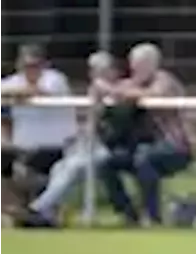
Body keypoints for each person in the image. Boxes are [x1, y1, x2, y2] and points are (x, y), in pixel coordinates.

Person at [25, 51, 150, 228]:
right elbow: (90, 127)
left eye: (101, 70)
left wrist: (105, 92)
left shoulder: (125, 87)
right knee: (60, 167)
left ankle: (37, 209)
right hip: (93, 145)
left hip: (116, 148)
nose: (95, 74)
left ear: (114, 71)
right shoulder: (96, 93)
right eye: (93, 70)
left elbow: (129, 103)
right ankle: (48, 213)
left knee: (75, 167)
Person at [99, 43, 194, 227]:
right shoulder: (131, 84)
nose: (135, 69)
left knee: (145, 159)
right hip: (143, 147)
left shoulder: (164, 80)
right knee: (107, 163)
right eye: (133, 64)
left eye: (139, 65)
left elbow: (155, 94)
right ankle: (128, 213)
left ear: (153, 64)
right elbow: (111, 93)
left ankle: (153, 216)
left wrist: (115, 91)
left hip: (176, 145)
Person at [0, 44, 77, 210]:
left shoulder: (55, 79)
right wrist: (17, 93)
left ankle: (38, 208)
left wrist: (16, 94)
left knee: (23, 171)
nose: (30, 69)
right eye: (26, 65)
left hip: (55, 147)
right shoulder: (14, 81)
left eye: (35, 65)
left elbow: (43, 92)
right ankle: (14, 208)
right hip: (21, 147)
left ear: (44, 65)